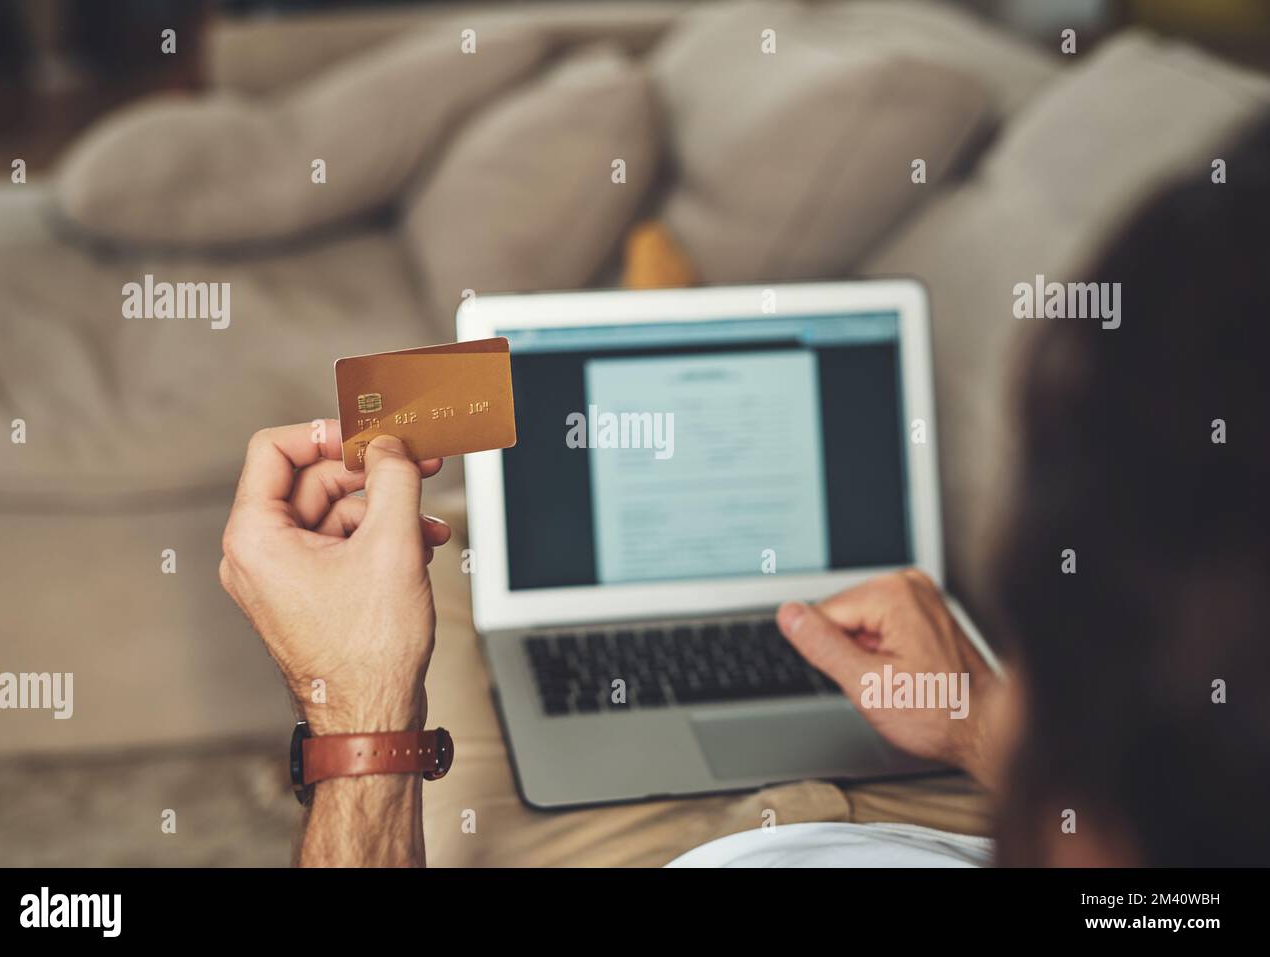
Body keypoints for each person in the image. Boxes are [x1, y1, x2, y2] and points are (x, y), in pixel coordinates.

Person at [219, 117, 1270, 867]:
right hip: (939, 787)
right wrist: (977, 724)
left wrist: (355, 715)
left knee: (445, 582)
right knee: (445, 568)